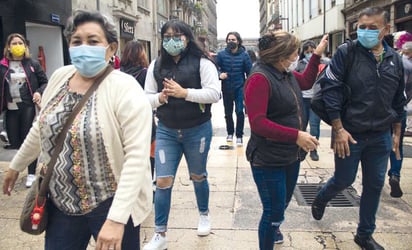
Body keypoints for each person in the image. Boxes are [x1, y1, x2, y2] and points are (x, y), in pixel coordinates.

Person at [2, 10, 153, 250]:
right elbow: (40, 127)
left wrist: (116, 219)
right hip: (61, 203)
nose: (84, 47)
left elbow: (136, 158)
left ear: (111, 48)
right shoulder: (61, 77)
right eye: (76, 41)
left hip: (109, 202)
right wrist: (16, 165)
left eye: (93, 41)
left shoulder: (125, 88)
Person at [311, 7, 405, 250]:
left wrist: (396, 134)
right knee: (344, 179)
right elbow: (330, 89)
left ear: (386, 29)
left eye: (372, 28)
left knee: (374, 185)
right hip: (349, 133)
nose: (365, 32)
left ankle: (364, 234)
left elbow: (398, 101)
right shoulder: (347, 52)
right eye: (361, 27)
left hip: (380, 136)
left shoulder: (395, 60)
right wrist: (338, 128)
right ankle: (322, 197)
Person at [244, 31, 328, 250]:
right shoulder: (260, 78)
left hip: (291, 155)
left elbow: (307, 81)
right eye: (294, 53)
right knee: (272, 212)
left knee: (280, 206)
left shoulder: (284, 73)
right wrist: (297, 135)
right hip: (268, 158)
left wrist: (317, 55)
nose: (296, 58)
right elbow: (258, 124)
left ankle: (274, 230)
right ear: (281, 55)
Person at [143, 20, 220, 250]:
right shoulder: (156, 65)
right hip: (167, 130)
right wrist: (160, 98)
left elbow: (214, 93)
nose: (171, 41)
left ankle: (204, 214)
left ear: (187, 38)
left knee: (198, 175)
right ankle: (160, 233)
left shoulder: (202, 63)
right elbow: (145, 96)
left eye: (177, 36)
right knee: (163, 180)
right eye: (166, 36)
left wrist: (184, 92)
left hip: (197, 130)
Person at [0, 33, 48, 187]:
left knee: (29, 139)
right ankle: (22, 166)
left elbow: (44, 82)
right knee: (16, 141)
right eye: (14, 43)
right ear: (8, 47)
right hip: (10, 108)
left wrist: (38, 92)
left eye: (20, 43)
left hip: (28, 107)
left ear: (25, 46)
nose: (17, 46)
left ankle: (32, 173)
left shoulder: (32, 64)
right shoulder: (2, 66)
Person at [120, 40, 156, 180]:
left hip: (123, 119)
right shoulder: (146, 73)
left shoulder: (117, 73)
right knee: (148, 153)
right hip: (143, 119)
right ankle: (147, 182)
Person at [216, 31, 252, 146]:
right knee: (228, 112)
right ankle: (230, 133)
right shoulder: (221, 55)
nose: (231, 42)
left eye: (233, 40)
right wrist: (219, 74)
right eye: (229, 40)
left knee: (239, 111)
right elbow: (215, 68)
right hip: (226, 87)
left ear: (238, 41)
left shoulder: (244, 55)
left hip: (239, 87)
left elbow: (250, 72)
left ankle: (239, 135)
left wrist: (247, 86)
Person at [295, 40, 329, 161]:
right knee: (302, 124)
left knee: (315, 126)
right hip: (303, 99)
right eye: (307, 52)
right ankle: (302, 148)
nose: (310, 54)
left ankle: (313, 149)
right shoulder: (300, 64)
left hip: (316, 99)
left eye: (312, 51)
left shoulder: (325, 63)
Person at [387, 35, 412, 198]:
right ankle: (395, 174)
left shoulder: (393, 61)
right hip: (400, 110)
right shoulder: (408, 65)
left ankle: (376, 176)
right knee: (398, 144)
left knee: (381, 142)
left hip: (382, 110)